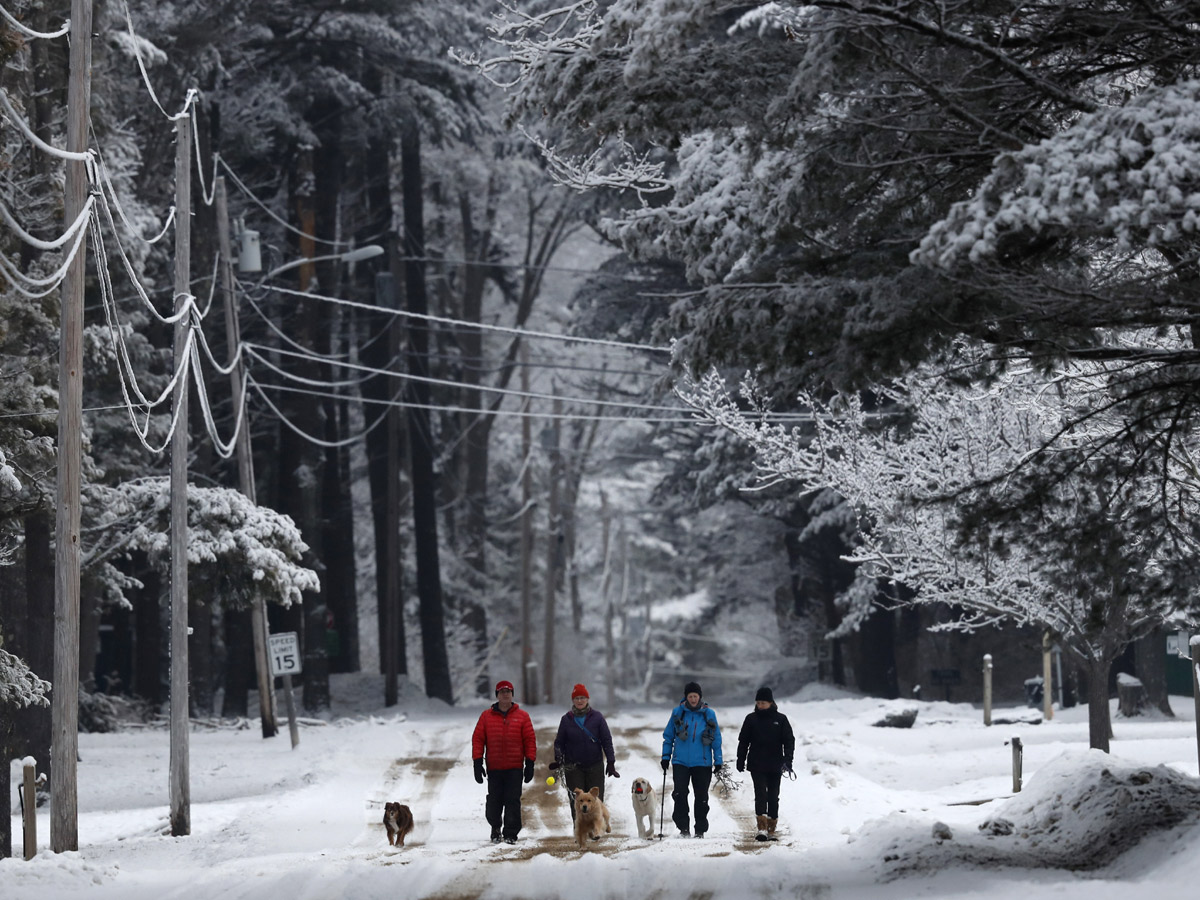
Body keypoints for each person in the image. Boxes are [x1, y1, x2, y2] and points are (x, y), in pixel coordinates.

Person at [471, 679, 537, 844]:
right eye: (502, 692)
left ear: (512, 695)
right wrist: (477, 762)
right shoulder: (486, 716)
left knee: (512, 800)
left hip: (515, 767)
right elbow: (478, 739)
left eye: (508, 692)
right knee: (494, 801)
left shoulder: (522, 716)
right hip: (494, 767)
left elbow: (530, 740)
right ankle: (495, 827)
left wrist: (530, 763)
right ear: (497, 695)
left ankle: (510, 833)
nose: (505, 694)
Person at [661, 680, 724, 838]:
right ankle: (683, 828)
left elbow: (716, 739)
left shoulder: (709, 714)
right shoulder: (677, 713)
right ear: (686, 697)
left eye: (695, 696)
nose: (693, 699)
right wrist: (665, 757)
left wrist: (718, 760)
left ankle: (700, 829)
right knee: (680, 794)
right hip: (680, 762)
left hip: (702, 763)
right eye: (690, 696)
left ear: (700, 697)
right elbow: (668, 737)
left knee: (701, 796)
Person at [550, 683, 620, 825]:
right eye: (576, 698)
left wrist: (611, 762)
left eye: (582, 698)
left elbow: (606, 740)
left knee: (595, 800)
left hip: (595, 765)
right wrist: (559, 758)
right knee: (578, 801)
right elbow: (559, 742)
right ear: (573, 701)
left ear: (587, 699)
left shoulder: (597, 717)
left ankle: (595, 828)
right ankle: (579, 830)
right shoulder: (566, 719)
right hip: (573, 767)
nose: (580, 701)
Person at [736, 685, 795, 840]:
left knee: (773, 796)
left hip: (776, 763)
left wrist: (788, 760)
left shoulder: (781, 719)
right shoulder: (751, 719)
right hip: (757, 763)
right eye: (758, 702)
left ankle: (772, 828)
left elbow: (789, 741)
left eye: (763, 702)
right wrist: (740, 759)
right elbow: (743, 741)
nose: (760, 705)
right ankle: (761, 827)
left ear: (771, 703)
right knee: (760, 794)